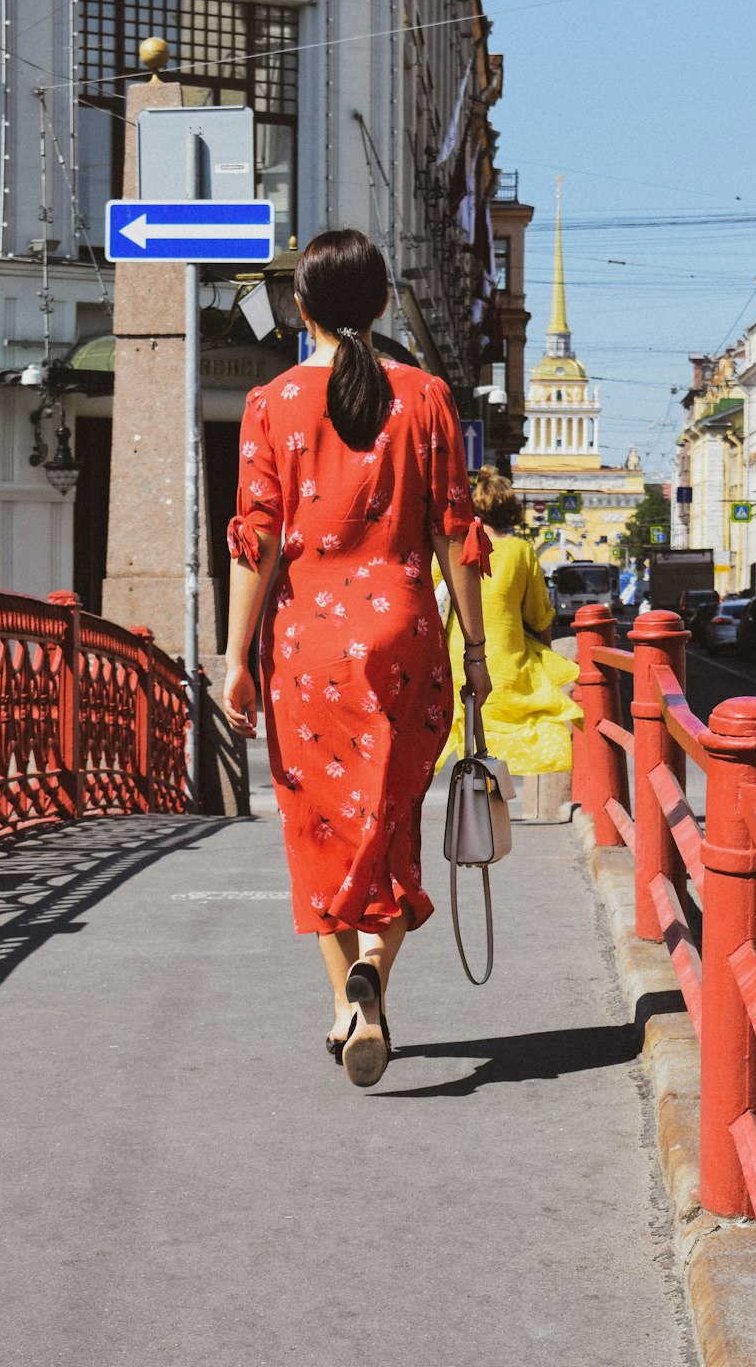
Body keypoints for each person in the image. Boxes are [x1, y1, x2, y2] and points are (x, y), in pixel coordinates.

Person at [222, 229, 492, 1089]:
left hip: (307, 648)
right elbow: (458, 534)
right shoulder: (428, 398)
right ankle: (372, 976)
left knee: (320, 825)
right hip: (405, 638)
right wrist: (477, 648)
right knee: (392, 818)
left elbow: (254, 542)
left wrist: (235, 657)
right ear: (382, 305)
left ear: (302, 311)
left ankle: (348, 1005)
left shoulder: (270, 404)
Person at [435, 467, 581, 776]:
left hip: (456, 665)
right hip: (506, 670)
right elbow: (539, 616)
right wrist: (547, 657)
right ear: (512, 510)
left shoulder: (453, 547)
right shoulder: (521, 551)